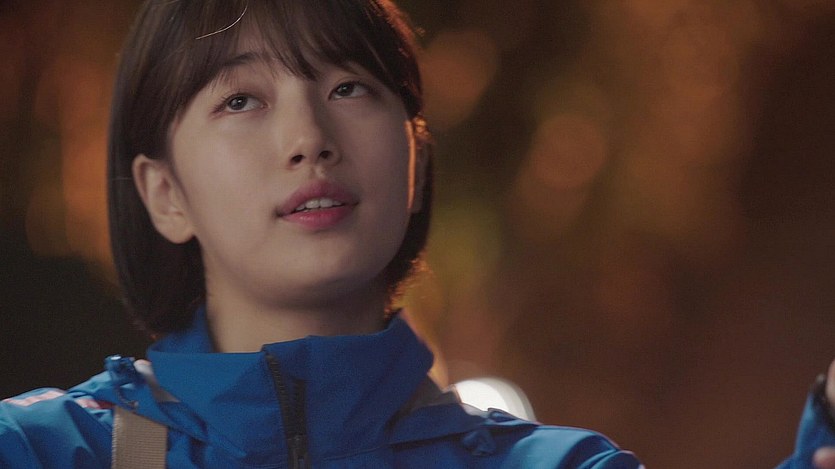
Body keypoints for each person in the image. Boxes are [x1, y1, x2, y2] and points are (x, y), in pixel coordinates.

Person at [0, 0, 830, 467]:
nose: (309, 138)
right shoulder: (44, 451)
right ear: (164, 192)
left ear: (415, 159)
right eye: (240, 100)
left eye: (349, 87)